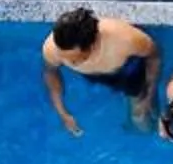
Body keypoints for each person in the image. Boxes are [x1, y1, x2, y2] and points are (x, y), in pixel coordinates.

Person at [43, 7, 162, 137]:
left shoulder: (126, 40)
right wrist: (62, 112)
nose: (69, 63)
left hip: (127, 71)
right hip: (93, 74)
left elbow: (154, 56)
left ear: (93, 45)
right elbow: (51, 71)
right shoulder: (52, 49)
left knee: (141, 121)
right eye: (64, 58)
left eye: (76, 59)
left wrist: (149, 95)